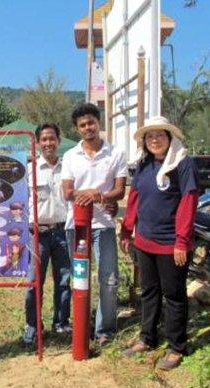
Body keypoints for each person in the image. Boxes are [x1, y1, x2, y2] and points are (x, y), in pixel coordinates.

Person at [121, 116, 199, 370]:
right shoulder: (143, 164)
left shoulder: (182, 164)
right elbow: (135, 198)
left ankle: (177, 347)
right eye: (150, 136)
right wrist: (126, 231)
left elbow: (188, 201)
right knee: (149, 291)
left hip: (171, 244)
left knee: (174, 295)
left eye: (160, 135)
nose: (155, 140)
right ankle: (147, 338)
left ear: (169, 138)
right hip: (144, 241)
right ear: (145, 141)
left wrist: (181, 241)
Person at [61, 103, 127, 347]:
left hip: (104, 225)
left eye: (91, 122)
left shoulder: (115, 153)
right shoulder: (70, 156)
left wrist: (98, 196)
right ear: (77, 129)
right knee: (80, 277)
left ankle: (104, 330)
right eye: (82, 125)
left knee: (108, 279)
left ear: (98, 122)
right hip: (76, 225)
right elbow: (67, 191)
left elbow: (119, 190)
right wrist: (91, 193)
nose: (87, 127)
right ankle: (81, 326)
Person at [22, 123, 71, 346]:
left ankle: (61, 322)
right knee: (34, 282)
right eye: (44, 139)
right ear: (37, 143)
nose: (48, 143)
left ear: (58, 141)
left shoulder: (69, 167)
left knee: (64, 280)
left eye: (52, 138)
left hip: (63, 233)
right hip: (37, 234)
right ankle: (32, 326)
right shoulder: (29, 170)